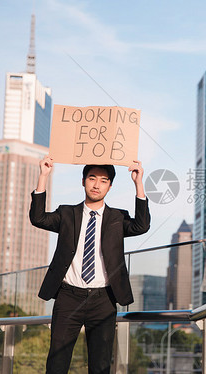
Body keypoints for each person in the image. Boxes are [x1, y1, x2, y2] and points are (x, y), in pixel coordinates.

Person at [29, 155, 150, 374]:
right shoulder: (66, 213)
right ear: (83, 181)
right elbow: (38, 218)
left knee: (100, 365)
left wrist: (138, 183)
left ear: (110, 186)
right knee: (56, 363)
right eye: (92, 178)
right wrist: (43, 176)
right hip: (68, 297)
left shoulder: (116, 217)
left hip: (103, 299)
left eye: (104, 180)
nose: (97, 184)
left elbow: (141, 226)